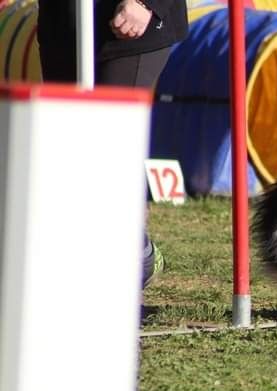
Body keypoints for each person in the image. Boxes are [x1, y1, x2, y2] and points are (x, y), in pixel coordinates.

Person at [36, 0, 189, 287]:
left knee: (109, 154)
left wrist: (147, 4)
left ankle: (133, 262)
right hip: (63, 28)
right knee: (73, 156)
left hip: (131, 26)